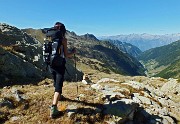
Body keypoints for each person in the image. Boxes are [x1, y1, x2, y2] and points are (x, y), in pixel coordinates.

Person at [49, 22, 76, 118]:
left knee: (56, 81)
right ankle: (54, 108)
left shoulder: (48, 37)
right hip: (60, 64)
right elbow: (67, 55)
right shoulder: (63, 39)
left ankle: (59, 97)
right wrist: (73, 52)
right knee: (58, 86)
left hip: (50, 64)